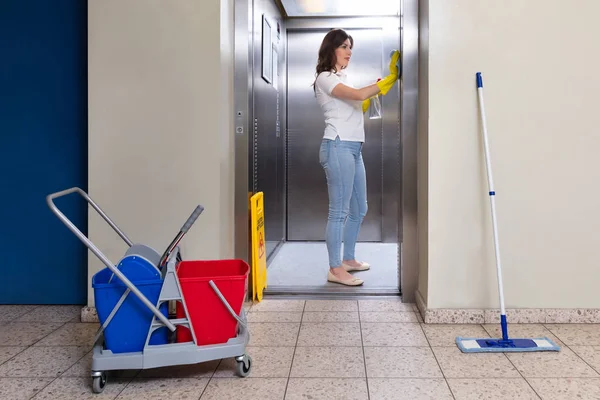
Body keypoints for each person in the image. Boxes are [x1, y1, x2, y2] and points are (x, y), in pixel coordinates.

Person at [313, 28, 399, 286]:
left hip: (353, 149)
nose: (349, 52)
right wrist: (387, 81)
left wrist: (376, 90)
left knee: (359, 208)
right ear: (332, 49)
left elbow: (357, 103)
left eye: (351, 47)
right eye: (345, 47)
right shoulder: (325, 78)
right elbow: (360, 95)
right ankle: (335, 268)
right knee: (338, 211)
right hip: (337, 146)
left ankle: (348, 259)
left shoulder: (344, 78)